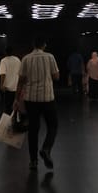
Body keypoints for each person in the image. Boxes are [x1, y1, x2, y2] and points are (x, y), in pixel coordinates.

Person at [16, 36, 59, 171]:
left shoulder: (26, 59)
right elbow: (56, 76)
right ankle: (46, 148)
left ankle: (33, 161)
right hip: (47, 98)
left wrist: (17, 99)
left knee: (33, 130)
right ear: (44, 45)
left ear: (33, 45)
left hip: (31, 99)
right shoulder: (50, 57)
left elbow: (21, 80)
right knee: (53, 125)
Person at [0, 46, 21, 114]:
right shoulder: (17, 60)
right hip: (16, 87)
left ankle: (8, 122)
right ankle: (15, 121)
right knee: (16, 106)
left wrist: (1, 85)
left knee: (8, 107)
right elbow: (20, 73)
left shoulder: (3, 60)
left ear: (5, 52)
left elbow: (3, 74)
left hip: (7, 88)